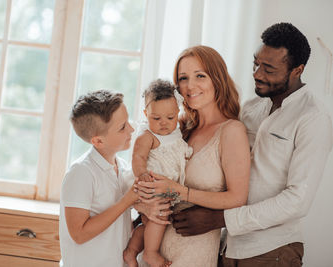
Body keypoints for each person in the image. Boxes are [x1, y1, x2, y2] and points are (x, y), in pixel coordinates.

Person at [170, 23, 333, 267]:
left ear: (297, 70)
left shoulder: (313, 118)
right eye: (256, 63)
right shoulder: (251, 108)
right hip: (226, 246)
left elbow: (297, 200)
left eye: (268, 68)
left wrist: (221, 219)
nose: (257, 73)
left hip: (272, 249)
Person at [135, 45, 251, 267]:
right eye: (183, 78)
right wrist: (144, 206)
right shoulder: (175, 128)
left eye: (200, 76)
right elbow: (141, 177)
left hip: (192, 253)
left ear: (217, 79)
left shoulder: (231, 131)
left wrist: (180, 191)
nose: (190, 86)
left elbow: (237, 198)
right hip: (153, 251)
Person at [59, 90, 138, 267]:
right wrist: (126, 201)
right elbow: (79, 234)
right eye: (122, 127)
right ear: (98, 141)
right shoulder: (81, 173)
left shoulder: (123, 167)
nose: (131, 129)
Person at [123, 79, 193, 267]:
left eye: (170, 118)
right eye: (156, 118)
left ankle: (131, 251)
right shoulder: (147, 136)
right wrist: (142, 174)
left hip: (166, 188)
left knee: (150, 222)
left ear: (177, 113)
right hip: (151, 185)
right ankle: (151, 253)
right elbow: (137, 157)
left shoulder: (176, 133)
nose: (163, 123)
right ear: (146, 114)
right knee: (160, 216)